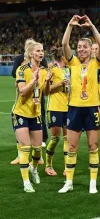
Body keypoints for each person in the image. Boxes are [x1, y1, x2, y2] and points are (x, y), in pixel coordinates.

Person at [58, 15, 100, 194]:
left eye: (85, 47)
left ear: (90, 49)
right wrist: (70, 25)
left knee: (93, 146)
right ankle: (69, 182)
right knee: (71, 146)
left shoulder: (96, 62)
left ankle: (93, 182)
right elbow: (64, 45)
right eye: (79, 47)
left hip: (92, 108)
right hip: (75, 108)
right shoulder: (73, 62)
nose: (81, 49)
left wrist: (92, 25)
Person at [12, 38, 52, 192]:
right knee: (25, 148)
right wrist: (33, 80)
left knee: (37, 149)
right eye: (37, 51)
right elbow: (22, 92)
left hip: (35, 114)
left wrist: (47, 82)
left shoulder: (44, 71)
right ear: (30, 53)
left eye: (42, 51)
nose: (40, 53)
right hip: (20, 113)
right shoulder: (22, 70)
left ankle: (33, 170)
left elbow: (46, 93)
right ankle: (26, 182)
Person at [45, 48, 69, 176]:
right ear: (63, 58)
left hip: (67, 107)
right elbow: (46, 90)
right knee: (55, 139)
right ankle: (48, 166)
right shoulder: (52, 70)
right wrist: (60, 83)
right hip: (54, 107)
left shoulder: (68, 70)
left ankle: (67, 167)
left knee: (67, 139)